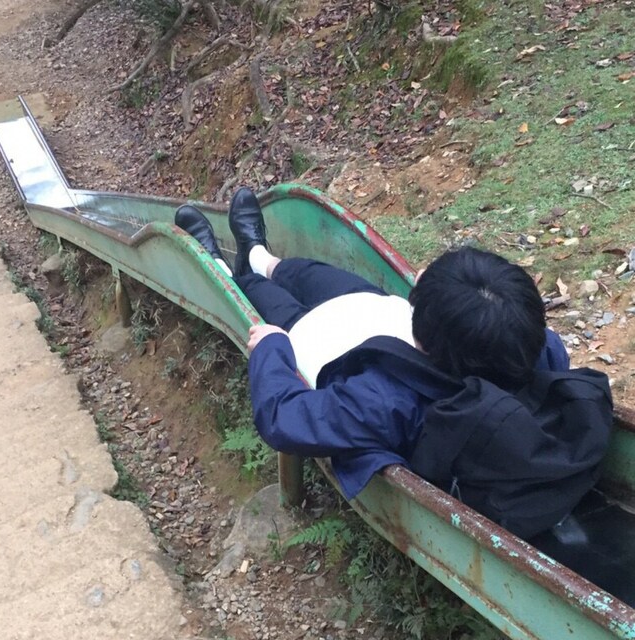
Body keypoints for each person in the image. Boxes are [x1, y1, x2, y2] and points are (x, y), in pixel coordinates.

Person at [175, 187, 613, 540]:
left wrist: (272, 347)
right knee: (324, 279)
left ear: (419, 332)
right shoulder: (535, 347)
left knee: (278, 306)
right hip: (377, 326)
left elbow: (283, 418)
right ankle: (259, 256)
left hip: (317, 343)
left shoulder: (386, 402)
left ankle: (229, 272)